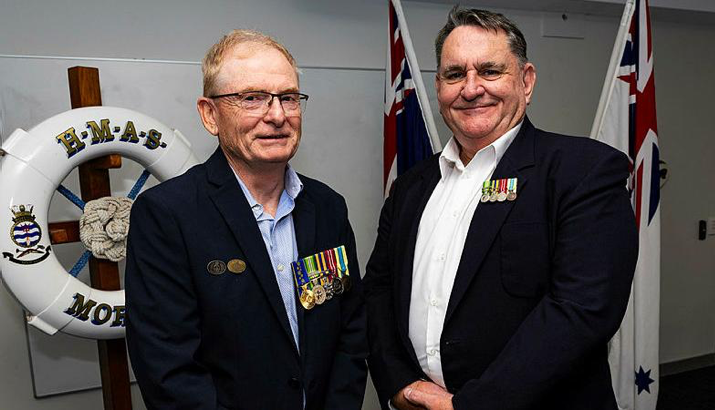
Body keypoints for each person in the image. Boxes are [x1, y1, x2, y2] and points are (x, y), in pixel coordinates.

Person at [364, 6, 638, 410]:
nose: (471, 88)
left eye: (490, 71)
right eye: (455, 74)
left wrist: (467, 406)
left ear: (526, 81)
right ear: (439, 86)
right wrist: (401, 384)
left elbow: (581, 311)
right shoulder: (410, 187)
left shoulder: (583, 171)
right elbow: (379, 291)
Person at [125, 30, 367, 410]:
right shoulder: (167, 215)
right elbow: (168, 369)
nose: (277, 115)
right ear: (210, 115)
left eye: (288, 98)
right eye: (252, 98)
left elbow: (350, 333)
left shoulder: (328, 207)